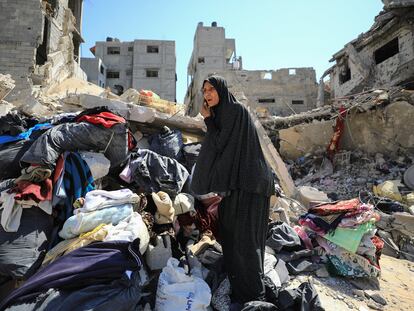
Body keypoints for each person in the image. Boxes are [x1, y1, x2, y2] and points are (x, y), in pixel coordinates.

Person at [190, 75, 275, 304]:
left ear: (222, 90)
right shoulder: (223, 114)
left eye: (211, 89)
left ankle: (254, 298)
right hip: (240, 185)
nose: (207, 94)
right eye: (204, 90)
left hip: (250, 185)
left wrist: (208, 120)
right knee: (231, 234)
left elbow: (218, 145)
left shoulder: (234, 111)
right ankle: (242, 289)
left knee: (246, 243)